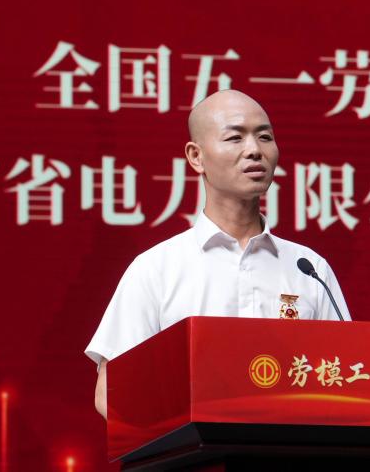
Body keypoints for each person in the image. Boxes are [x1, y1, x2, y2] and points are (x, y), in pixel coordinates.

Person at [85, 90, 350, 419]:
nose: (254, 150)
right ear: (196, 157)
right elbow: (112, 392)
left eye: (265, 137)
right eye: (235, 138)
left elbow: (345, 378)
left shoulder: (308, 269)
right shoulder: (157, 268)